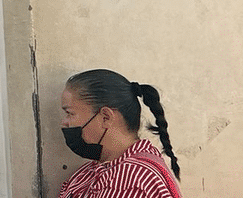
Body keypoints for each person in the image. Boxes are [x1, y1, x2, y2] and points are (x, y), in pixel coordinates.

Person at [58, 69, 182, 198]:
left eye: (70, 113)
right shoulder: (91, 171)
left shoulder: (132, 179)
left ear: (106, 117)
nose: (64, 123)